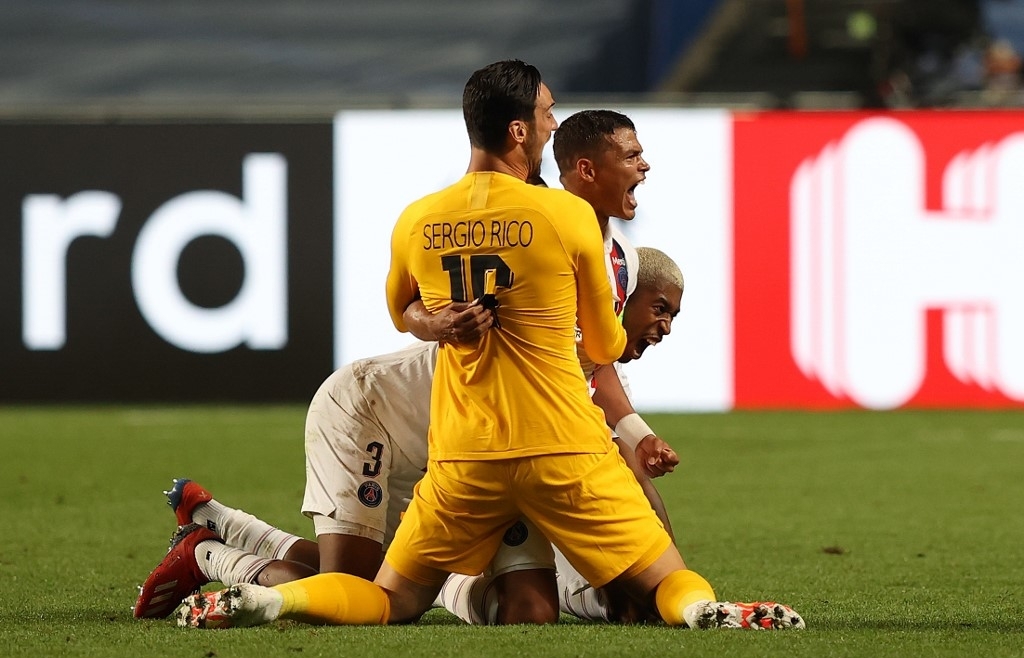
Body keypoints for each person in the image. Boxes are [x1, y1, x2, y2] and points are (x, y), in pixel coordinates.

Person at [174, 59, 804, 631]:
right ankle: (700, 610)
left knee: (398, 600)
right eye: (547, 113)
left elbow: (401, 310)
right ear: (519, 130)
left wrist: (439, 324)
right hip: (538, 442)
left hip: (465, 451)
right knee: (662, 579)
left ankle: (275, 601)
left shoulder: (419, 218)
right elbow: (604, 343)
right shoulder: (568, 219)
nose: (553, 124)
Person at [132, 109, 677, 624]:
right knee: (354, 586)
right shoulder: (528, 222)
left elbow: (598, 372)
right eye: (660, 309)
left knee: (516, 606)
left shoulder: (617, 260)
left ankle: (225, 528)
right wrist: (434, 323)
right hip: (380, 412)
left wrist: (644, 461)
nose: (663, 327)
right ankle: (211, 554)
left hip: (478, 444)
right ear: (586, 169)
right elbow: (408, 307)